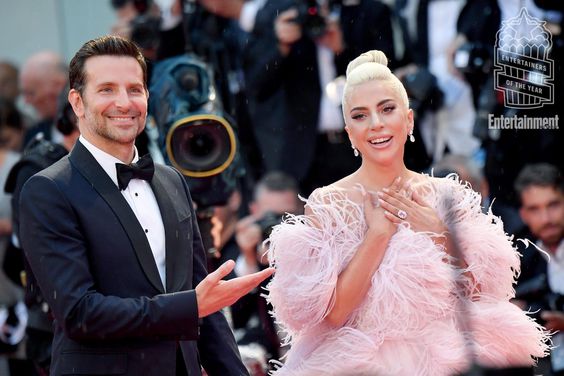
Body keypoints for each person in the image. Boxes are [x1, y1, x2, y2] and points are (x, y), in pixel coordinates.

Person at [265, 50, 549, 375]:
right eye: (360, 115)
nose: (376, 124)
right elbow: (334, 315)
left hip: (448, 358)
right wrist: (377, 235)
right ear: (349, 133)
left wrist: (440, 234)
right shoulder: (329, 203)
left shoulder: (447, 195)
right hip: (360, 364)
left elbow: (482, 296)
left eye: (387, 109)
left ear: (409, 119)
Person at [18, 35, 273, 376]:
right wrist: (189, 306)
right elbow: (80, 313)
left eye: (134, 89)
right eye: (106, 89)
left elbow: (206, 306)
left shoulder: (172, 181)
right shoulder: (48, 190)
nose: (124, 102)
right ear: (77, 103)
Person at [514, 163, 564, 375]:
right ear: (523, 214)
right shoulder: (520, 256)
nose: (546, 219)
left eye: (553, 205)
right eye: (535, 209)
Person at [19, 51, 68, 146]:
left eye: (31, 93)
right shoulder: (33, 137)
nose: (26, 101)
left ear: (58, 85)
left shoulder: (93, 127)